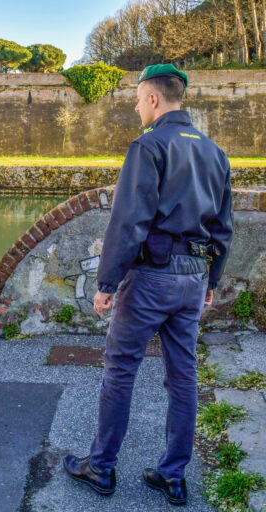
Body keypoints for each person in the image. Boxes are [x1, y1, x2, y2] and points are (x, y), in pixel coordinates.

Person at [62, 64, 233, 506]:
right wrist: (211, 279)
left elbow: (129, 221)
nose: (137, 108)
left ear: (153, 98)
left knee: (121, 369)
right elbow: (223, 228)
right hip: (193, 277)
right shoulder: (215, 153)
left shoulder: (149, 145)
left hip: (152, 276)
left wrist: (106, 282)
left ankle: (101, 467)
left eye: (138, 100)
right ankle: (173, 476)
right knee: (183, 375)